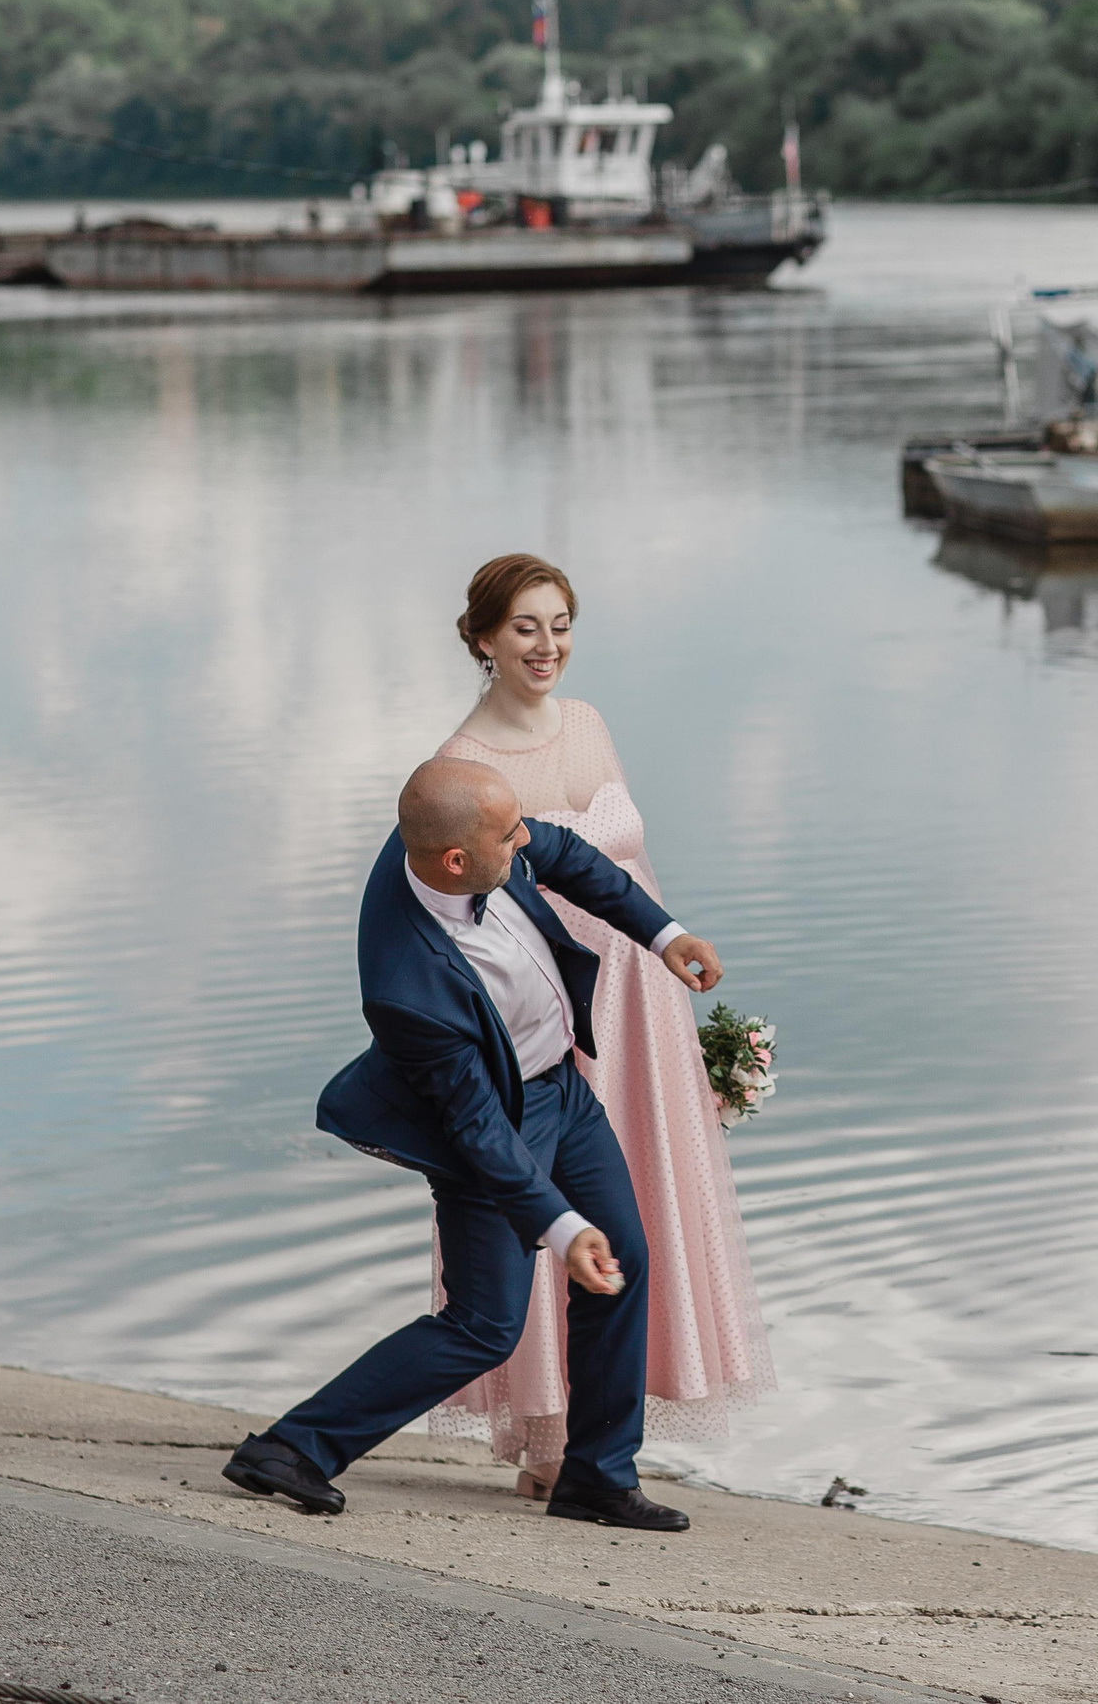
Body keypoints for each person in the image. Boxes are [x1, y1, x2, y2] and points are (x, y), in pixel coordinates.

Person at [221, 756, 723, 1531]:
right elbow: (478, 1129)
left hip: (562, 1086)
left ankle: (596, 1476)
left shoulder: (475, 838)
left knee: (622, 1257)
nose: (526, 838)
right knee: (485, 1323)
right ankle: (293, 1447)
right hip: (495, 1121)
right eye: (509, 833)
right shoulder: (405, 986)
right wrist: (559, 1227)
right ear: (455, 862)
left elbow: (568, 856)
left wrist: (665, 934)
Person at [432, 553, 774, 1498]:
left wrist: (669, 943)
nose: (549, 646)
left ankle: (606, 1438)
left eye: (562, 624)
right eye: (527, 628)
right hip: (554, 1012)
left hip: (641, 996)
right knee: (552, 1206)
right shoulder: (460, 766)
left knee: (647, 1199)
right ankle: (550, 1439)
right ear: (484, 639)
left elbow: (626, 861)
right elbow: (466, 918)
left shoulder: (587, 724)